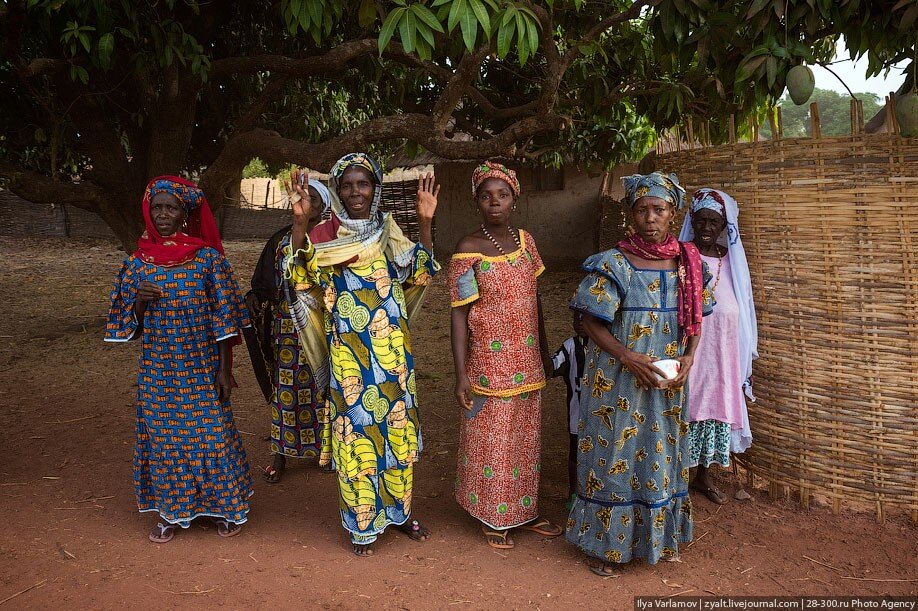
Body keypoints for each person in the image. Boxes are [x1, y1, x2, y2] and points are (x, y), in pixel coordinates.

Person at [283, 153, 440, 556]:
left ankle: (400, 514)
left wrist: (425, 221)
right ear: (337, 190)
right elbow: (298, 278)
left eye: (363, 184)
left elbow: (421, 271)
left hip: (392, 356)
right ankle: (363, 525)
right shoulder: (321, 238)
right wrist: (299, 225)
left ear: (376, 188)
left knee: (397, 433)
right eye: (347, 185)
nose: (356, 192)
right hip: (349, 354)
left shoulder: (390, 232)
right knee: (357, 437)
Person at [565, 172, 713, 575]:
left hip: (666, 383)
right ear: (630, 214)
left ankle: (655, 542)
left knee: (660, 454)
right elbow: (590, 322)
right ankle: (604, 548)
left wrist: (690, 358)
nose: (651, 217)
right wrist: (629, 357)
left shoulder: (689, 263)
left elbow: (699, 321)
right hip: (616, 381)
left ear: (672, 214)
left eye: (659, 210)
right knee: (614, 452)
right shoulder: (613, 263)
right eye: (643, 209)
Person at [105, 176, 253, 543]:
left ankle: (223, 507)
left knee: (211, 436)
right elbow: (124, 327)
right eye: (157, 208)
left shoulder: (207, 260)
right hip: (158, 371)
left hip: (201, 366)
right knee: (164, 441)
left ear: (185, 213)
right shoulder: (137, 264)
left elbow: (225, 317)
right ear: (148, 212)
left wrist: (223, 371)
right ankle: (173, 512)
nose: (164, 214)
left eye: (171, 207)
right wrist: (139, 301)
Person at [448, 161, 562, 550]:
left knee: (524, 441)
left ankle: (522, 512)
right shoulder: (467, 249)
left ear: (515, 198)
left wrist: (545, 353)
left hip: (526, 361)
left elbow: (536, 301)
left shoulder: (527, 242)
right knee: (492, 441)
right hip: (488, 363)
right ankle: (492, 515)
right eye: (486, 196)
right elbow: (459, 314)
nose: (494, 202)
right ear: (476, 202)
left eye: (502, 195)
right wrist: (461, 373)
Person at [245, 176, 332, 483]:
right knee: (286, 391)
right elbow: (264, 283)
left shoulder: (333, 239)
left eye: (316, 201)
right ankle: (280, 456)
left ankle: (326, 451)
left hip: (322, 326)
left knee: (324, 389)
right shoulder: (281, 240)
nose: (309, 206)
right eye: (304, 200)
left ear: (325, 207)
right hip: (286, 329)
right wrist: (255, 299)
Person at [678, 188, 756, 504]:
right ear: (692, 222)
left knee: (714, 406)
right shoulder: (681, 255)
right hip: (690, 347)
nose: (707, 228)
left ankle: (703, 476)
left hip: (722, 350)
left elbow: (743, 303)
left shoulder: (731, 260)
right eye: (701, 221)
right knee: (686, 403)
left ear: (724, 227)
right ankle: (675, 474)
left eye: (714, 222)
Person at [550, 311, 588, 510]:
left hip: (604, 415)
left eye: (586, 317)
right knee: (575, 454)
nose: (580, 323)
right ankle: (574, 492)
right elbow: (551, 368)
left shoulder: (609, 347)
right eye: (576, 318)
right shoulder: (570, 347)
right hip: (578, 414)